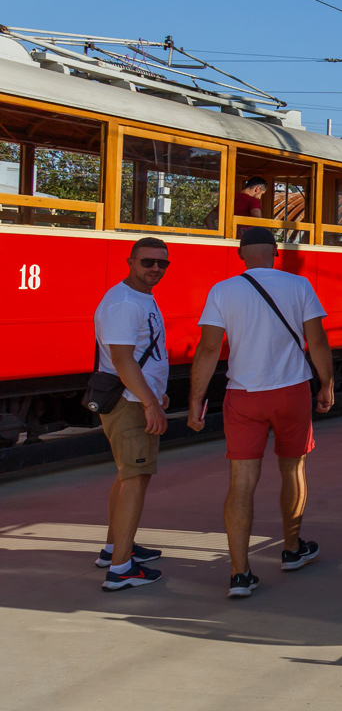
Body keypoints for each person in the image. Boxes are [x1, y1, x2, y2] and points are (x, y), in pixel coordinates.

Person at [187, 226, 334, 600]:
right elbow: (316, 340)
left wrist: (196, 401)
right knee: (293, 468)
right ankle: (291, 548)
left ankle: (240, 574)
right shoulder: (298, 286)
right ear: (275, 252)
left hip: (243, 395)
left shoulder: (222, 290)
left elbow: (207, 351)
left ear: (240, 254)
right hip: (291, 391)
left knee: (241, 481)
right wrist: (327, 384)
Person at [94, 237, 172, 590]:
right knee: (136, 479)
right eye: (148, 262)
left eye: (162, 263)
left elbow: (145, 352)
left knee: (127, 476)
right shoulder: (125, 302)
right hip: (129, 402)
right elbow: (123, 359)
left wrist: (157, 391)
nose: (155, 268)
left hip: (135, 398)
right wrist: (149, 402)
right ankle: (122, 569)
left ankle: (115, 549)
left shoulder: (141, 297)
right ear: (130, 261)